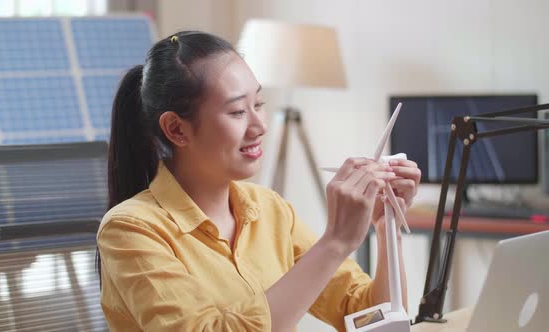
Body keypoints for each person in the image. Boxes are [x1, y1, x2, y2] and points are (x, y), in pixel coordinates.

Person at [97, 31, 421, 332]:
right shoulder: (129, 230)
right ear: (177, 129)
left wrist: (385, 226)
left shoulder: (270, 209)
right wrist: (334, 242)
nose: (259, 125)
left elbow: (370, 318)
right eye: (237, 111)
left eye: (259, 104)